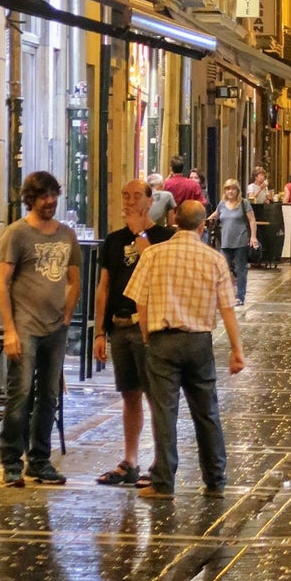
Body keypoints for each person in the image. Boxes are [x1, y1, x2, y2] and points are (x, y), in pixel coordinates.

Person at [126, 201, 246, 496]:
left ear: (174, 220)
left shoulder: (153, 254)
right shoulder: (214, 259)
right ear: (203, 225)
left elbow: (139, 301)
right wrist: (236, 349)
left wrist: (146, 336)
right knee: (206, 412)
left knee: (164, 414)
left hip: (162, 340)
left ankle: (164, 482)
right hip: (198, 342)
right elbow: (227, 308)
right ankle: (215, 480)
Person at [0, 171, 81, 487]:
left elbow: (74, 280)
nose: (50, 201)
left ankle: (40, 459)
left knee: (49, 395)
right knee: (21, 394)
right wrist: (10, 329)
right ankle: (11, 461)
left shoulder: (66, 235)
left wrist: (67, 315)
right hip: (26, 326)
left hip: (55, 328)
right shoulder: (16, 234)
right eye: (44, 196)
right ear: (31, 198)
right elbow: (1, 283)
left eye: (54, 195)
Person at [93, 179, 167, 487]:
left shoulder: (165, 237)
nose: (129, 201)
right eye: (125, 196)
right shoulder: (112, 240)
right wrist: (99, 331)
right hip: (120, 327)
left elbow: (158, 272)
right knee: (129, 395)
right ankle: (130, 460)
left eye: (137, 196)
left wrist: (140, 233)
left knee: (156, 396)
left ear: (150, 201)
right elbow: (104, 286)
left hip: (147, 326)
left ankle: (160, 464)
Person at [215, 179, 258, 305]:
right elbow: (216, 215)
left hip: (240, 241)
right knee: (223, 270)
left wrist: (253, 237)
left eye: (233, 188)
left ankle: (240, 296)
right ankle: (225, 296)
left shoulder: (243, 203)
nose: (230, 191)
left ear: (237, 190)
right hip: (225, 242)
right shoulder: (221, 204)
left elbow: (252, 220)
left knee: (240, 270)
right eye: (228, 189)